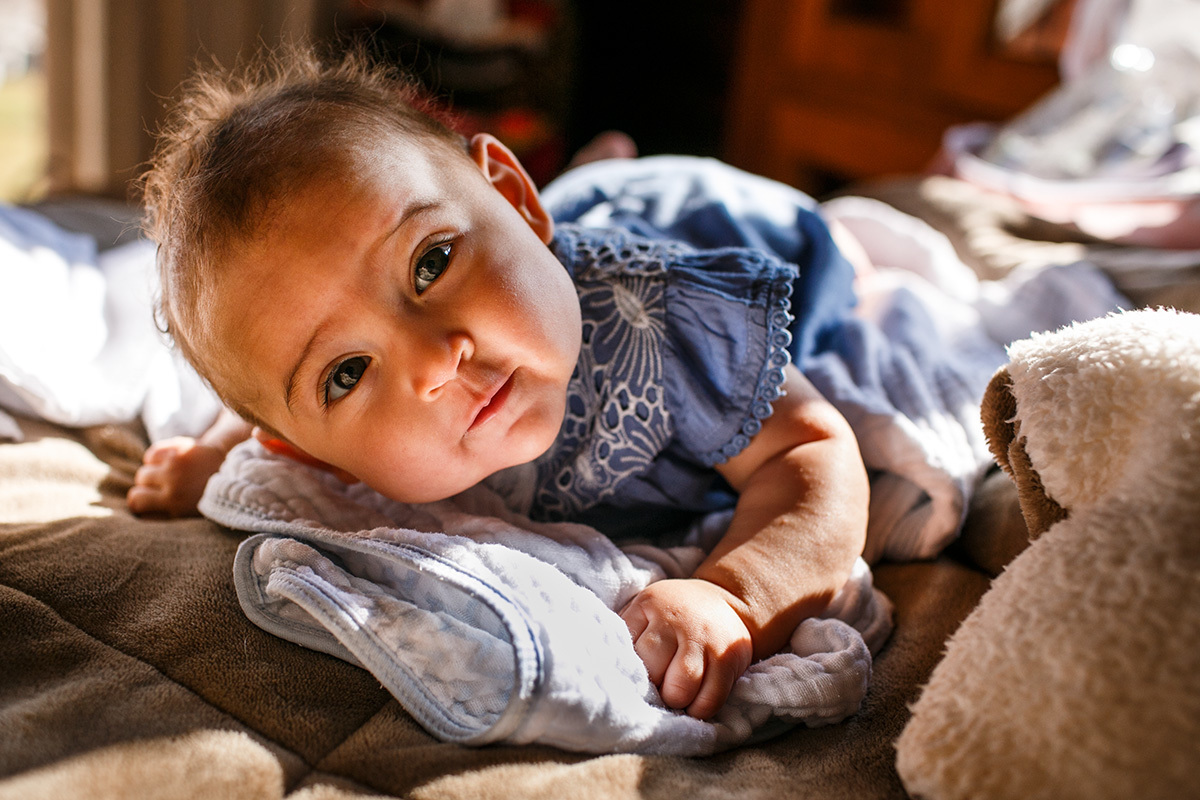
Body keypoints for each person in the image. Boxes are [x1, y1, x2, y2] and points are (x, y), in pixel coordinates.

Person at [128, 47, 870, 722]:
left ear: (513, 198)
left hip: (728, 223)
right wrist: (209, 456)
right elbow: (269, 422)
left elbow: (812, 451)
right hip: (534, 231)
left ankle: (604, 178)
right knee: (577, 200)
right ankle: (582, 177)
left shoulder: (670, 328)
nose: (435, 360)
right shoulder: (304, 438)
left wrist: (734, 597)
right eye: (347, 373)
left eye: (431, 262)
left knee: (812, 260)